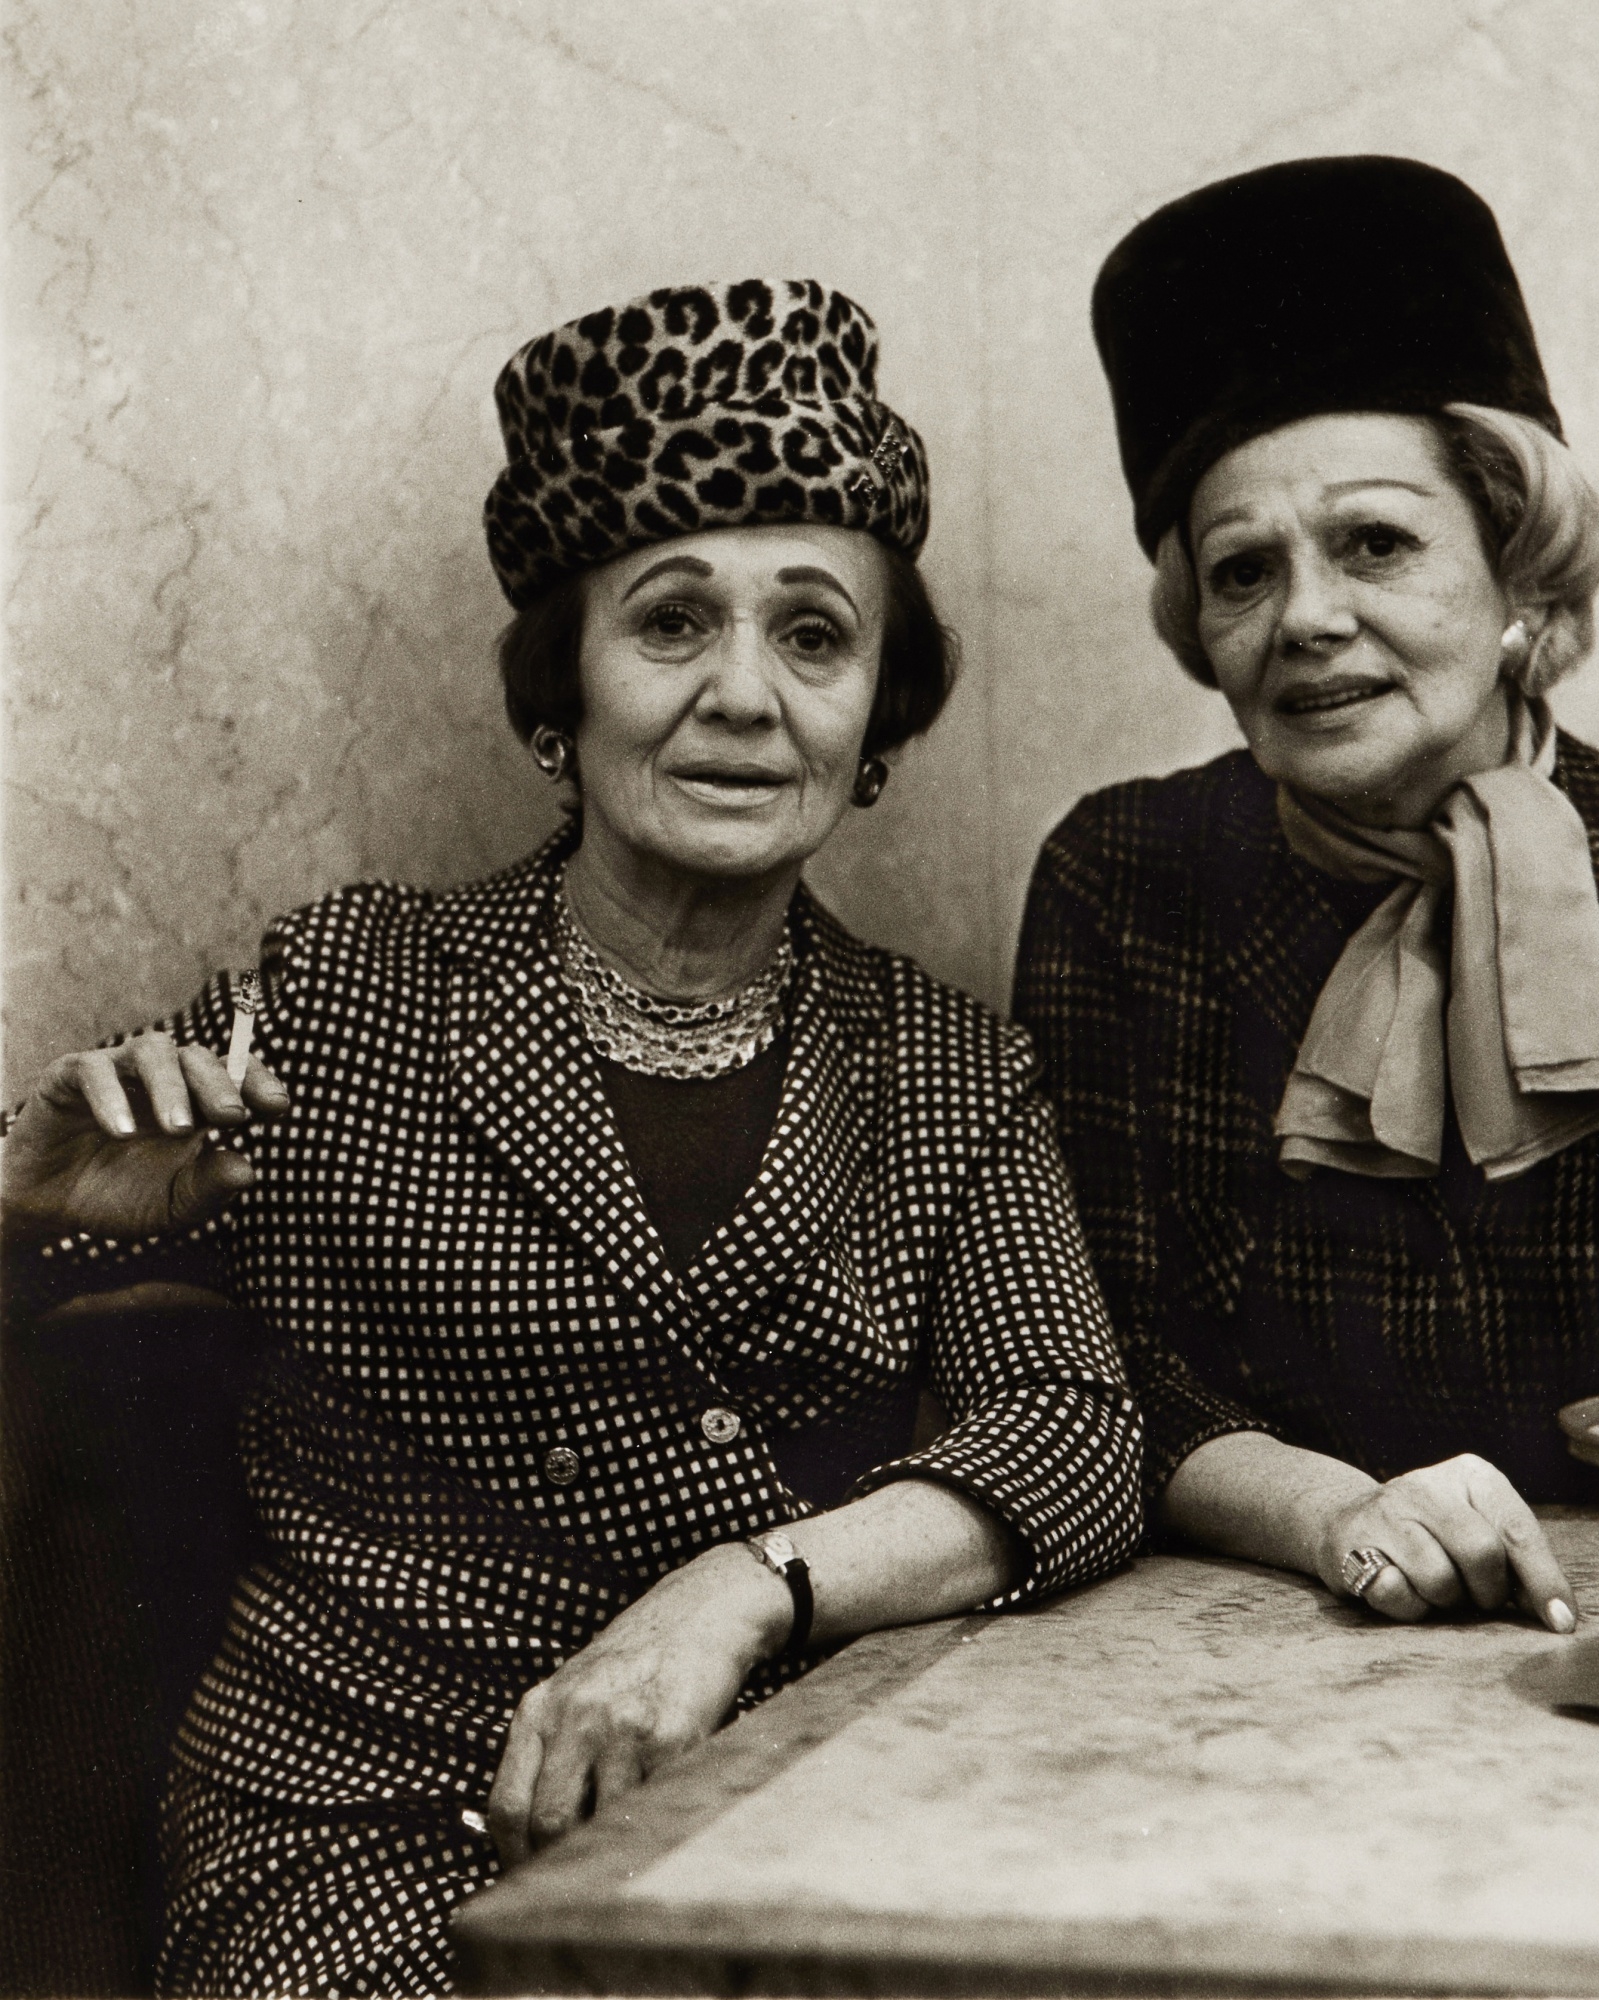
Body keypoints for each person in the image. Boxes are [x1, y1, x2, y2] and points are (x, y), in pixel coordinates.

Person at [2, 279, 1143, 1997]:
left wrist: (738, 1596)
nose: (745, 698)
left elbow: (1070, 1434)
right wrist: (17, 1211)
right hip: (360, 1835)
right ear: (565, 689)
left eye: (814, 635)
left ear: (874, 720)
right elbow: (47, 1275)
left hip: (765, 1823)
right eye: (671, 623)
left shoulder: (946, 1066)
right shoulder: (351, 985)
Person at [1013, 158, 1599, 1635]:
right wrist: (1340, 1515)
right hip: (1266, 1625)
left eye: (1376, 543)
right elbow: (1099, 1353)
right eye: (1241, 570)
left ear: (1516, 576)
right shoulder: (1132, 877)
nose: (1306, 618)